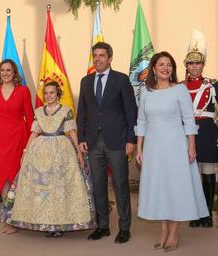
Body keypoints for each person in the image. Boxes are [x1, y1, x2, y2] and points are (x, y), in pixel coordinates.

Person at [0, 81, 95, 237]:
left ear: (58, 94)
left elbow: (71, 132)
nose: (49, 96)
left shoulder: (66, 111)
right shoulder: (38, 112)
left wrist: (78, 150)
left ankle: (58, 224)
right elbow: (34, 133)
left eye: (52, 92)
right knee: (40, 186)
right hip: (40, 150)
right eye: (46, 93)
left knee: (58, 188)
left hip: (61, 151)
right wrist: (25, 150)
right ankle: (43, 221)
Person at [136, 51, 209, 252]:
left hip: (177, 147)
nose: (165, 68)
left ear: (173, 69)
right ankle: (163, 232)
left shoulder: (180, 90)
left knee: (176, 188)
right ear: (153, 68)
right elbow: (141, 121)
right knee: (159, 188)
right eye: (161, 64)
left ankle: (174, 232)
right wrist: (139, 148)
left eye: (169, 65)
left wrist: (191, 146)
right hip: (153, 149)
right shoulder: (146, 92)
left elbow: (189, 120)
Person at [77, 42, 137, 243]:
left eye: (101, 55)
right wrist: (81, 139)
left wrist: (131, 139)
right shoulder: (86, 81)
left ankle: (124, 228)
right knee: (98, 185)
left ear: (110, 58)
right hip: (93, 142)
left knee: (120, 184)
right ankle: (102, 226)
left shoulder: (121, 79)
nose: (97, 59)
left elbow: (131, 111)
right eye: (95, 55)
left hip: (117, 141)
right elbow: (82, 114)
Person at [0, 59, 34, 231]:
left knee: (17, 177)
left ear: (14, 73)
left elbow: (30, 118)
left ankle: (20, 216)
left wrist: (30, 144)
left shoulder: (23, 91)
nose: (5, 73)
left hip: (18, 138)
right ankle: (8, 217)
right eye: (2, 70)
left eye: (9, 70)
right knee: (3, 178)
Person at [183, 31, 218, 228]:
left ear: (202, 65)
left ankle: (206, 215)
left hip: (206, 131)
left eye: (197, 63)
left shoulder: (213, 85)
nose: (194, 66)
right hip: (187, 133)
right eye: (191, 63)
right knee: (191, 175)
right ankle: (194, 213)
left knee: (206, 172)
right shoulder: (179, 87)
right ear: (186, 65)